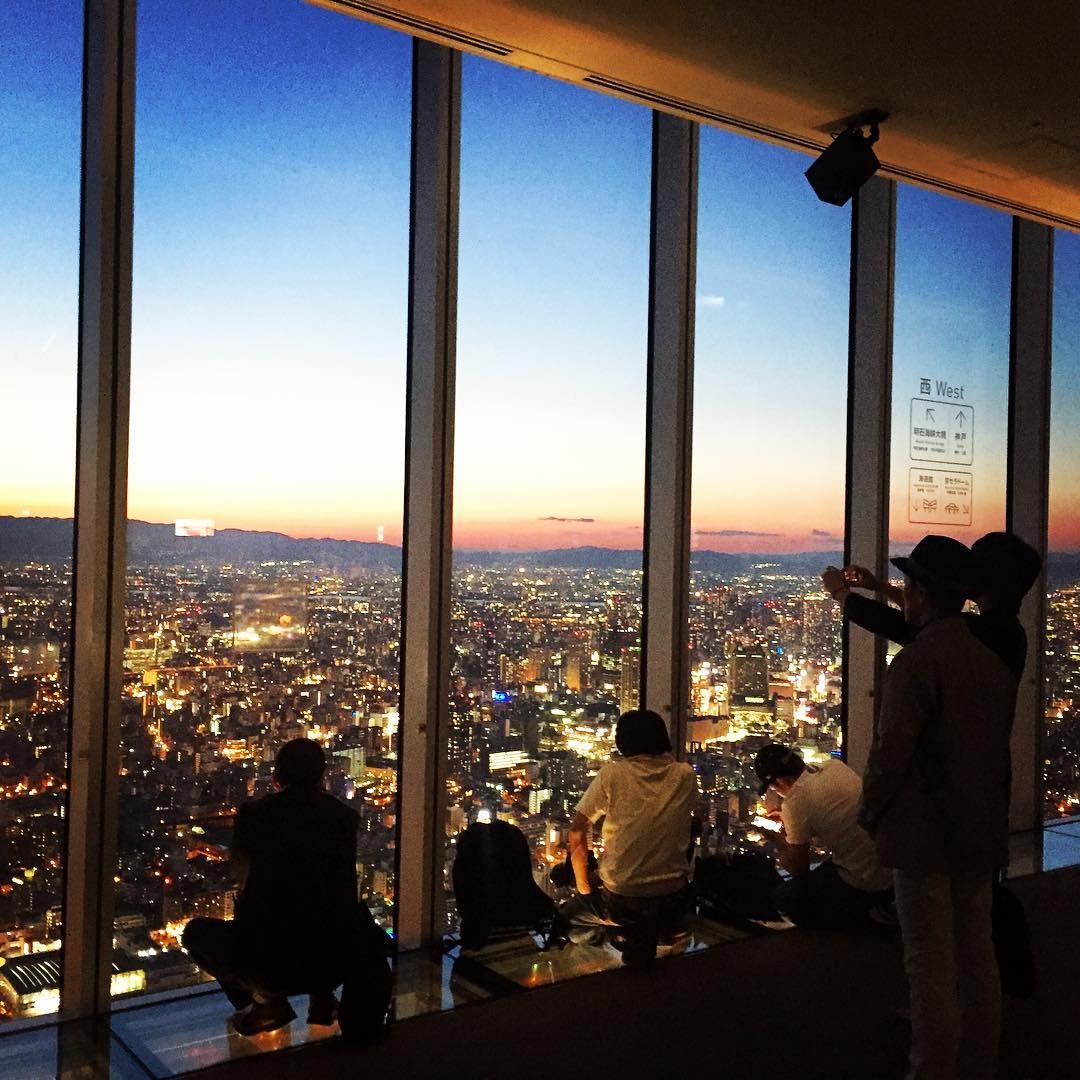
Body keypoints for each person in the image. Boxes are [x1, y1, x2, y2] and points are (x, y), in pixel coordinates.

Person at [858, 535, 1017, 1079]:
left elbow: (891, 755)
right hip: (980, 827)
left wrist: (870, 809)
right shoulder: (990, 661)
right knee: (978, 955)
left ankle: (930, 1069)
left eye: (907, 588)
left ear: (919, 593)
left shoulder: (917, 662)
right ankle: (980, 1064)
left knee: (928, 963)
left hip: (925, 835)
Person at [182, 738, 391, 1037]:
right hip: (333, 960)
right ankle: (321, 998)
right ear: (321, 775)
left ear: (277, 776)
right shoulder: (343, 817)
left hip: (267, 963)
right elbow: (342, 889)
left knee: (195, 934)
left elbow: (239, 873)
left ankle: (264, 1003)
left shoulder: (255, 816)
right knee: (320, 914)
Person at [561, 709, 699, 964]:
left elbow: (578, 831)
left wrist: (584, 890)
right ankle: (654, 932)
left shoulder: (613, 774)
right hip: (675, 897)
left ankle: (619, 937)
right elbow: (689, 827)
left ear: (622, 741)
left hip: (622, 900)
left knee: (567, 920)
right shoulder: (685, 775)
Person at [823, 531, 1041, 682]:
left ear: (983, 575)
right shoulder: (1009, 634)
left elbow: (906, 625)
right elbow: (927, 617)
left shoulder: (976, 634)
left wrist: (840, 593)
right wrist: (879, 587)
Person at [753, 743, 893, 928]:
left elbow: (799, 870)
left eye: (772, 788)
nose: (775, 792)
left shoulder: (795, 802)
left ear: (779, 781)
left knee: (785, 897)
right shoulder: (833, 766)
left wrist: (774, 838)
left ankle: (864, 916)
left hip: (866, 879)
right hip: (890, 865)